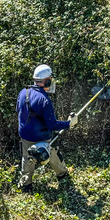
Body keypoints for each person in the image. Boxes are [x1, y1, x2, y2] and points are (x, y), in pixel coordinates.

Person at [16, 64, 77, 192]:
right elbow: (52, 125)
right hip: (41, 137)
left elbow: (18, 111)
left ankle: (26, 184)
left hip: (25, 135)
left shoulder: (23, 92)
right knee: (52, 152)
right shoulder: (45, 100)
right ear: (47, 81)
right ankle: (62, 174)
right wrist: (68, 123)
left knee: (27, 158)